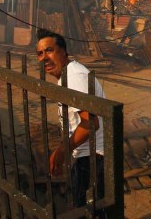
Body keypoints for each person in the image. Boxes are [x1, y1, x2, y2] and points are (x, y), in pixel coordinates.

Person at [36, 29, 106, 209]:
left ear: (63, 51)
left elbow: (91, 123)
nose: (44, 57)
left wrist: (60, 152)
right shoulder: (67, 76)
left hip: (94, 159)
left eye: (49, 50)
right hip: (87, 157)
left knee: (88, 211)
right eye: (40, 53)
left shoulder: (74, 76)